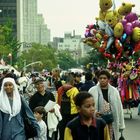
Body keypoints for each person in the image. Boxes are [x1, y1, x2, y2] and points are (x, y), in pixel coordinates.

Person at [88, 70, 125, 140]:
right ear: (98, 79)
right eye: (100, 78)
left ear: (108, 79)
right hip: (96, 122)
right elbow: (88, 106)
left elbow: (119, 108)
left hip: (111, 122)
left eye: (104, 78)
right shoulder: (92, 91)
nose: (102, 80)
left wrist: (121, 125)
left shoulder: (114, 91)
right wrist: (95, 112)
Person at [57, 74, 79, 140]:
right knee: (72, 133)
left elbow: (57, 101)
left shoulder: (60, 89)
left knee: (63, 132)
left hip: (62, 114)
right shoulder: (74, 90)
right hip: (73, 114)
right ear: (72, 81)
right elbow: (77, 102)